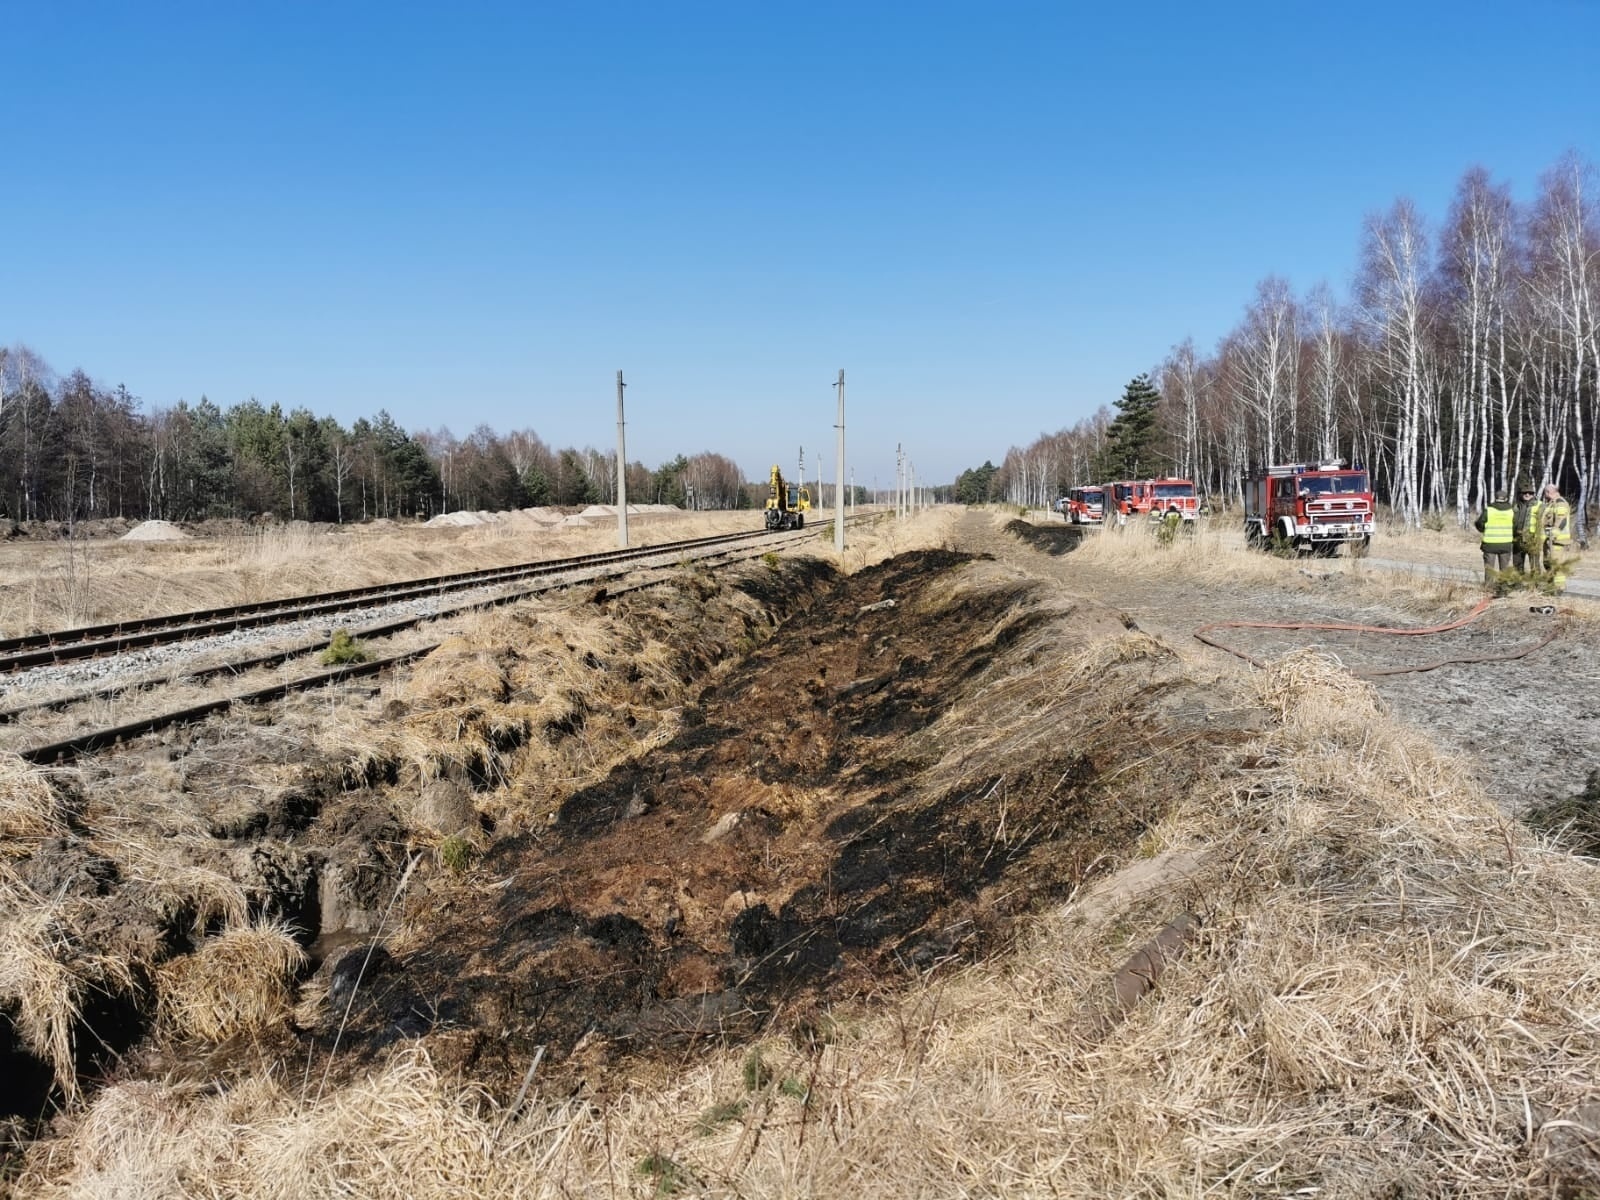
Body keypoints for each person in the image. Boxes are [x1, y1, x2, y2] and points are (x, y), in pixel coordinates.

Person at [1473, 492, 1515, 583]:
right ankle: (1503, 588)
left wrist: (1484, 530)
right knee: (1504, 570)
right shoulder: (1511, 510)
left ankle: (1488, 588)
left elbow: (1479, 523)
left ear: (1495, 498)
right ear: (1506, 498)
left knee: (1489, 569)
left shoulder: (1489, 510)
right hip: (1506, 544)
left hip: (1490, 544)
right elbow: (1516, 525)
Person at [1540, 483, 1575, 590]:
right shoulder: (1551, 503)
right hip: (1549, 540)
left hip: (1557, 541)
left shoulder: (1560, 503)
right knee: (1548, 563)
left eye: (1545, 493)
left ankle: (1559, 587)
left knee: (1556, 564)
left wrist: (1552, 535)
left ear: (1548, 492)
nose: (1544, 495)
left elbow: (1561, 521)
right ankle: (1550, 585)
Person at [1512, 479, 1541, 575]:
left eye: (1530, 493)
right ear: (1521, 493)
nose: (1527, 495)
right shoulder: (1516, 506)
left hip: (1532, 539)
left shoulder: (1540, 505)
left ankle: (1535, 586)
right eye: (1525, 493)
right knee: (1517, 564)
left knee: (1534, 565)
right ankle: (1518, 585)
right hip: (1518, 539)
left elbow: (1543, 524)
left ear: (1533, 494)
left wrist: (1539, 538)